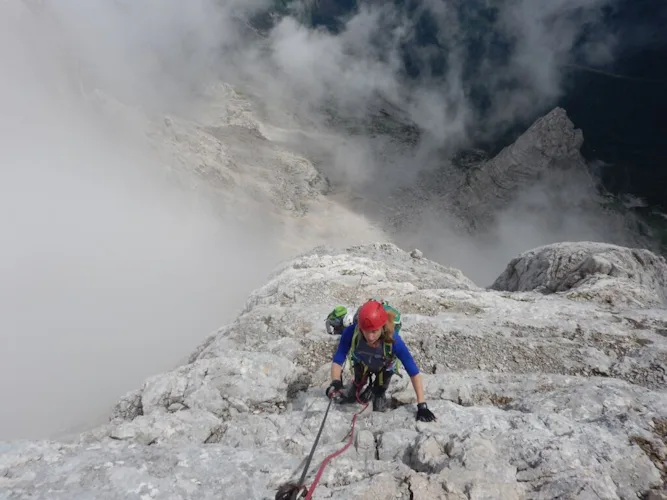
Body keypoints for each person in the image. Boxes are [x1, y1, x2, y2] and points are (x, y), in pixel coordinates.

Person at [325, 299, 437, 422]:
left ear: (382, 327)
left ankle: (378, 392)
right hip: (361, 363)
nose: (370, 336)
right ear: (359, 327)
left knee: (380, 389)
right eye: (366, 331)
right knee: (358, 380)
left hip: (384, 367)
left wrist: (422, 405)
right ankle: (358, 386)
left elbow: (413, 371)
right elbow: (338, 359)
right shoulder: (351, 332)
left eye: (374, 331)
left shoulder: (393, 340)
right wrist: (335, 381)